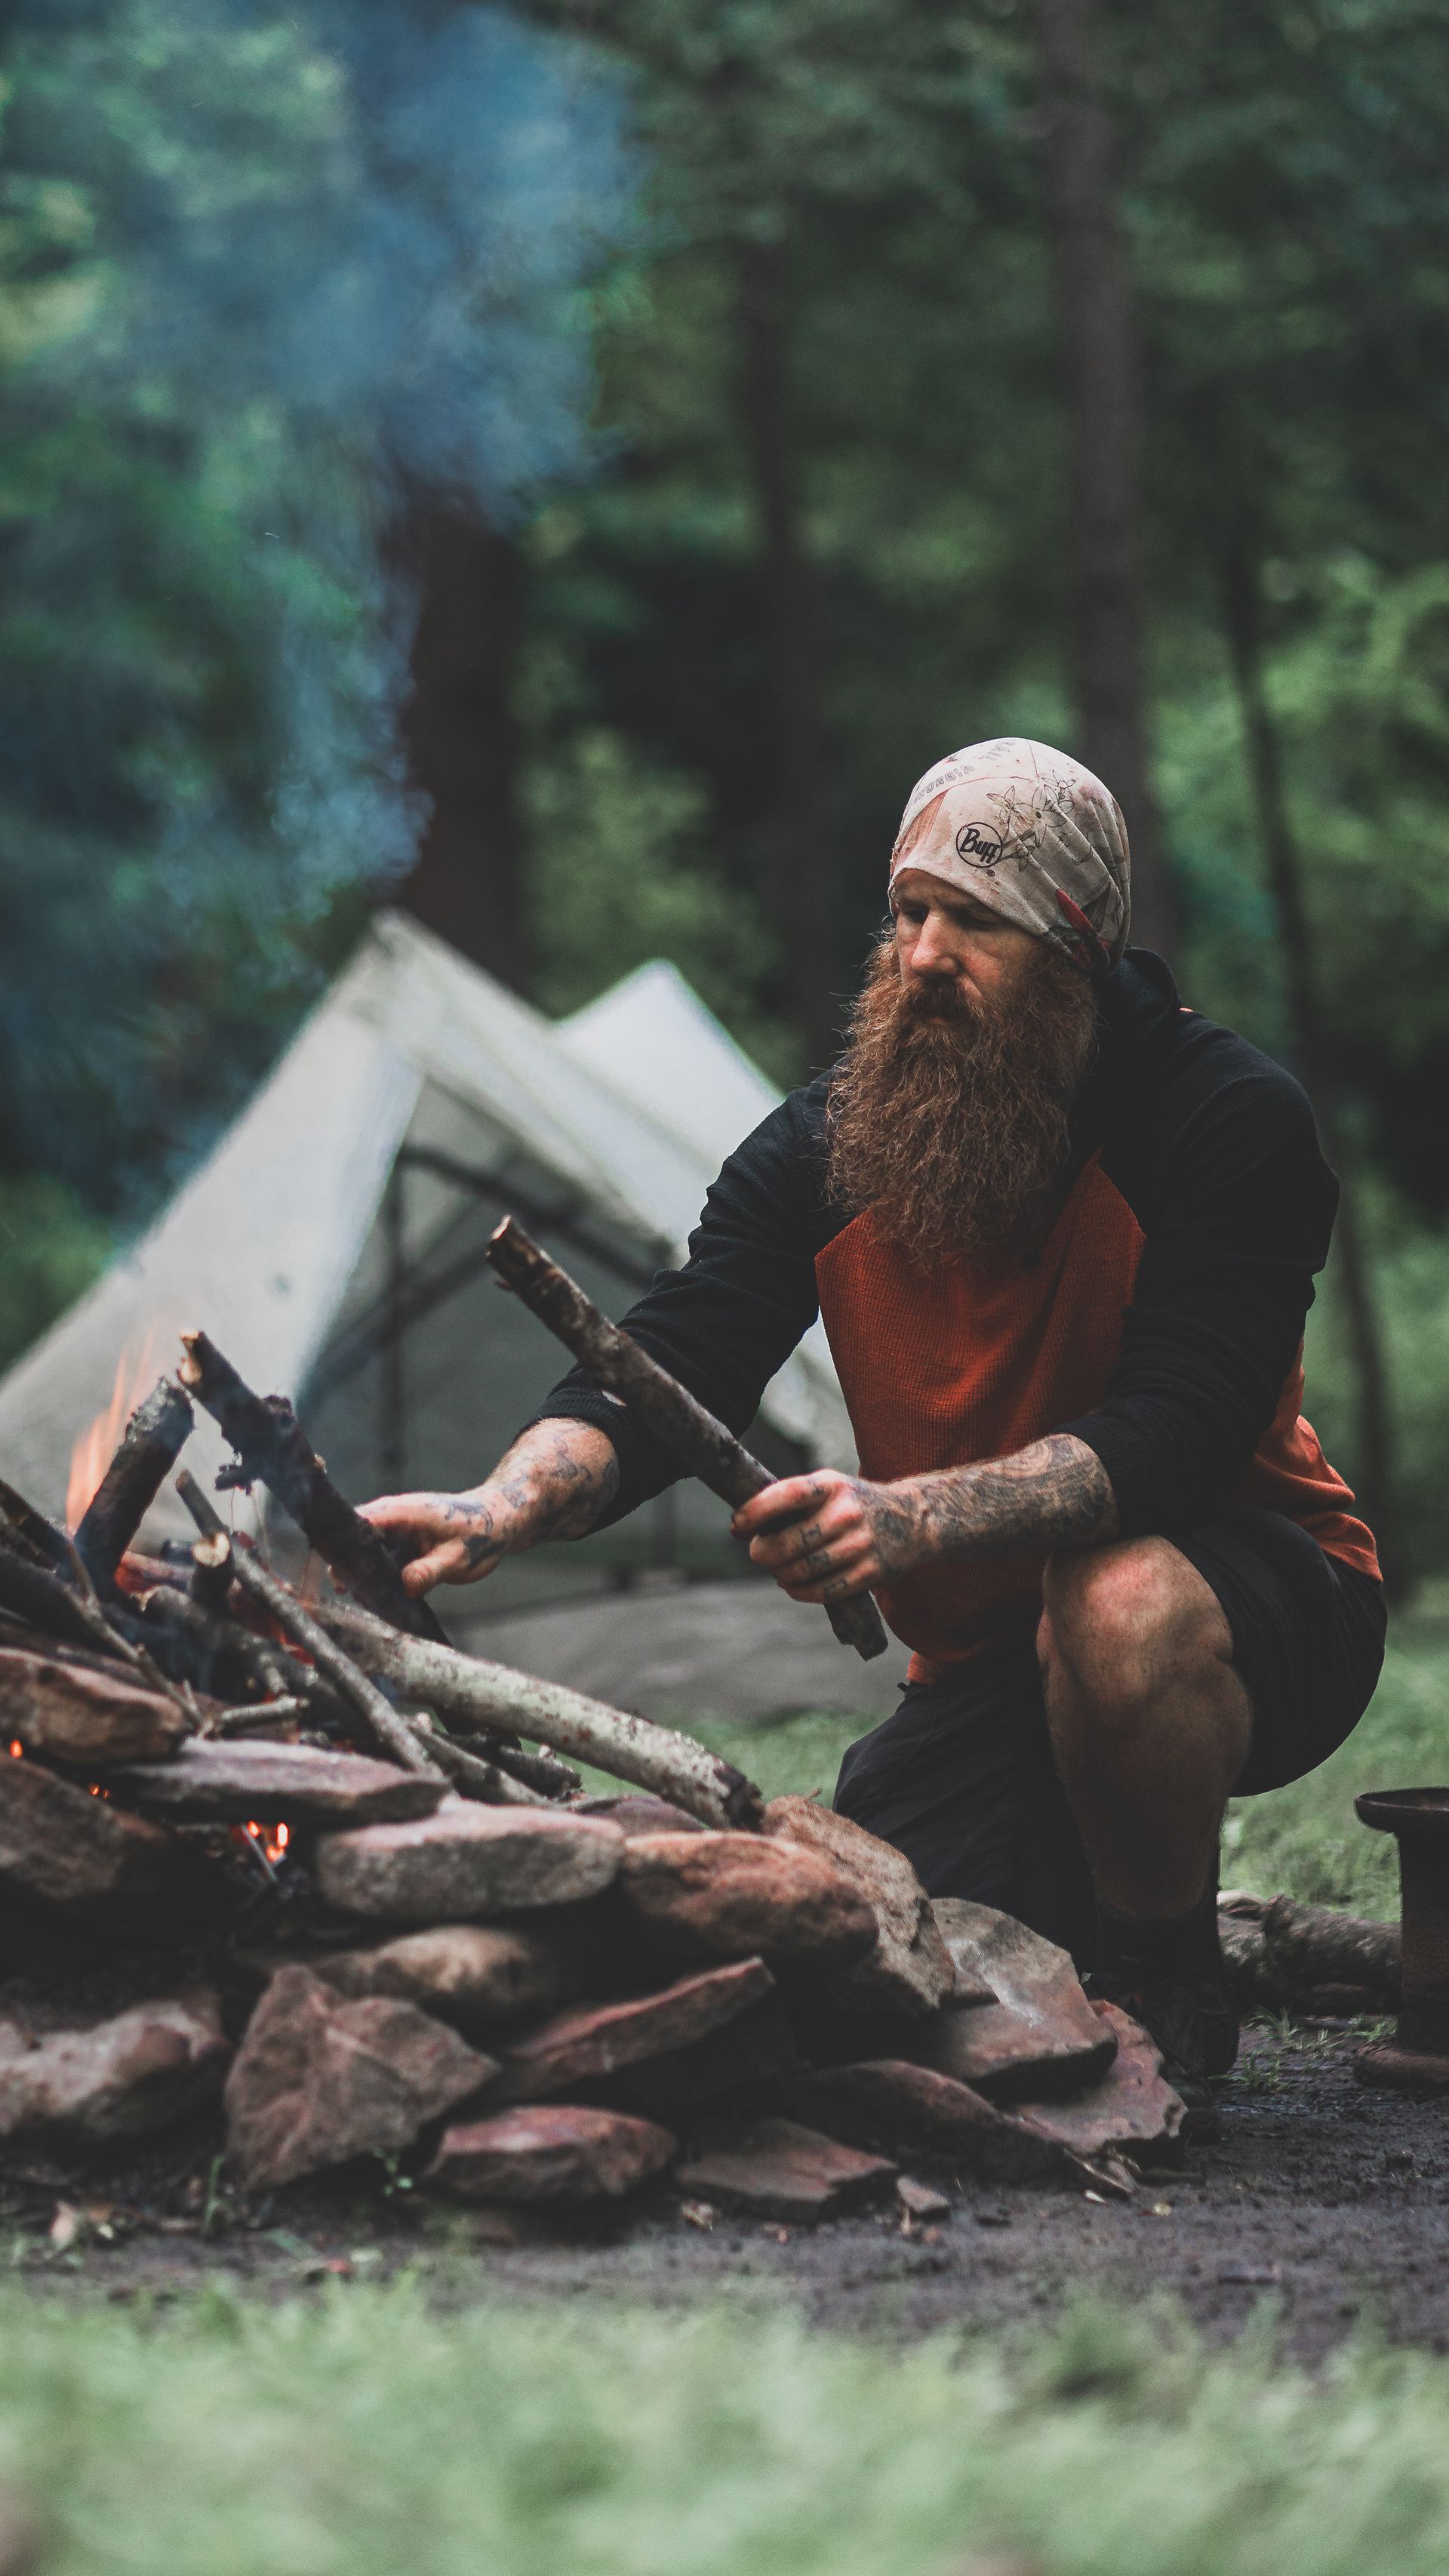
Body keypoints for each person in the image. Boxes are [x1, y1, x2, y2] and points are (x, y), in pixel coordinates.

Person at [360, 736, 1384, 2121]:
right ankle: (1128, 1920)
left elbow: (1176, 1433)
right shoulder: (831, 1146)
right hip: (987, 1666)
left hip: (1260, 1601)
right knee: (868, 1964)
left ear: (1074, 948)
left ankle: (1173, 1976)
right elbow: (677, 1358)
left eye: (976, 920)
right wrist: (509, 1504)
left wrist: (906, 1517)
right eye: (907, 913)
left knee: (1117, 1595)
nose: (922, 955)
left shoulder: (1222, 1120)